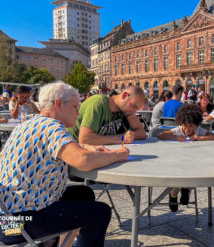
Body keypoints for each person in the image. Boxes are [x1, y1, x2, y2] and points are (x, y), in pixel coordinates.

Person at [0, 81, 129, 246]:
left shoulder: (29, 123)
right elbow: (83, 160)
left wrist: (83, 147)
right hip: (19, 224)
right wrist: (118, 155)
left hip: (5, 219)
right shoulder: (52, 127)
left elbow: (56, 148)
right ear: (58, 104)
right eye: (76, 108)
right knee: (100, 213)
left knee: (84, 194)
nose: (79, 113)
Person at [158, 104, 214, 211]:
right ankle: (173, 195)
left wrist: (199, 137)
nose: (187, 129)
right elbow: (161, 135)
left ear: (196, 124)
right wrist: (176, 137)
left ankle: (186, 189)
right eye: (185, 125)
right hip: (177, 161)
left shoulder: (199, 131)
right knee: (176, 180)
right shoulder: (179, 130)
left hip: (193, 162)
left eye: (191, 126)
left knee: (194, 174)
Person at [68, 85, 147, 145]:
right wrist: (121, 138)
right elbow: (85, 139)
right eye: (134, 106)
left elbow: (141, 133)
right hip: (73, 149)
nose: (134, 111)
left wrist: (126, 137)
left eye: (137, 108)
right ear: (124, 96)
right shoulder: (98, 103)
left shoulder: (126, 110)